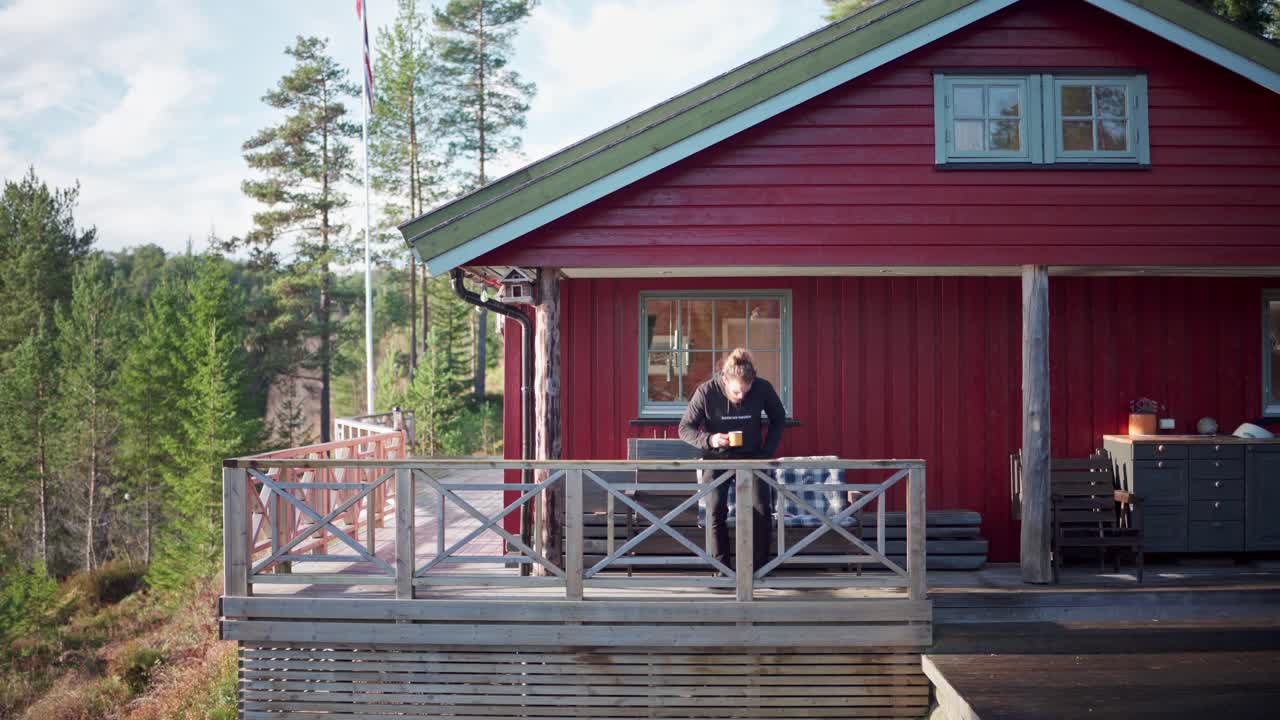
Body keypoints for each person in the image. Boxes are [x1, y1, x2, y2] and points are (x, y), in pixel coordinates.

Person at [678, 348, 786, 572]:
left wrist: (766, 452)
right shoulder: (706, 391)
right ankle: (722, 569)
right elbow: (684, 428)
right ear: (724, 380)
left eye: (745, 392)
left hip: (753, 458)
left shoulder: (762, 388)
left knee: (761, 510)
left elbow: (778, 418)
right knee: (715, 510)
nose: (741, 397)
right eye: (736, 392)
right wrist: (710, 439)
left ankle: (759, 569)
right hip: (717, 459)